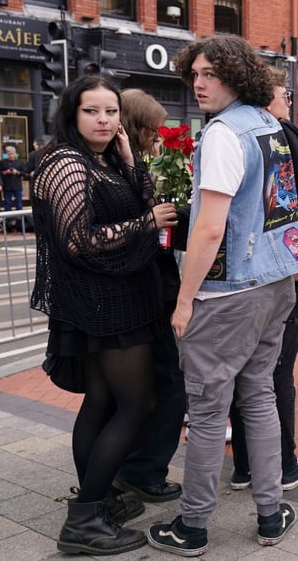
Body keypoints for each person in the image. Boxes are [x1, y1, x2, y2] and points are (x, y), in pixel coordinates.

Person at [146, 35, 298, 556]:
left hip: (228, 291)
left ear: (236, 76)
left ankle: (192, 526)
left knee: (209, 408)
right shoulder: (267, 124)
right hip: (276, 279)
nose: (199, 82)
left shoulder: (221, 134)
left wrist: (184, 299)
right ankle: (269, 513)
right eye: (194, 73)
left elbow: (210, 227)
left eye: (210, 73)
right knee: (258, 395)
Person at [30, 76, 179, 555]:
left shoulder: (105, 159)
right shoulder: (65, 163)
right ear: (72, 115)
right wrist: (145, 223)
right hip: (103, 306)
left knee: (100, 402)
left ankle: (98, 504)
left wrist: (133, 163)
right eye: (92, 111)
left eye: (111, 111)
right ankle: (85, 518)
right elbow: (78, 241)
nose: (104, 120)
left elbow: (142, 197)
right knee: (135, 404)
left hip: (117, 298)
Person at [228, 72, 298, 491]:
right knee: (277, 368)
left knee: (242, 368)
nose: (290, 102)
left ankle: (247, 465)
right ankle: (283, 463)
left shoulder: (225, 131)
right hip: (282, 266)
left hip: (237, 269)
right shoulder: (282, 138)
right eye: (286, 96)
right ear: (268, 99)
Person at [110, 89, 186, 504]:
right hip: (144, 295)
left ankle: (132, 468)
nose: (157, 142)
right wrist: (153, 214)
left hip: (148, 291)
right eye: (153, 133)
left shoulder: (132, 164)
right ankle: (143, 471)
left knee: (151, 386)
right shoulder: (124, 168)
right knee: (167, 386)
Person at [0, 145, 26, 231]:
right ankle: (8, 221)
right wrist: (5, 172)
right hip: (7, 186)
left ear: (15, 154)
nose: (11, 155)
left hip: (17, 185)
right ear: (7, 154)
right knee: (7, 204)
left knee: (19, 203)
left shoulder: (20, 162)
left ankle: (20, 222)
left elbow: (24, 173)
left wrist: (17, 172)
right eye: (9, 154)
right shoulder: (2, 162)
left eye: (12, 154)